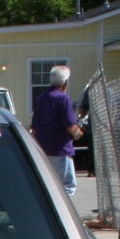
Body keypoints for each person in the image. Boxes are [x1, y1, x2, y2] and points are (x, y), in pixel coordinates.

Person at [30, 64, 86, 196]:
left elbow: (34, 126)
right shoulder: (63, 98)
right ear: (65, 82)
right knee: (67, 186)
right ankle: (63, 215)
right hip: (60, 150)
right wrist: (79, 133)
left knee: (48, 185)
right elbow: (71, 126)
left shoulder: (42, 98)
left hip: (42, 149)